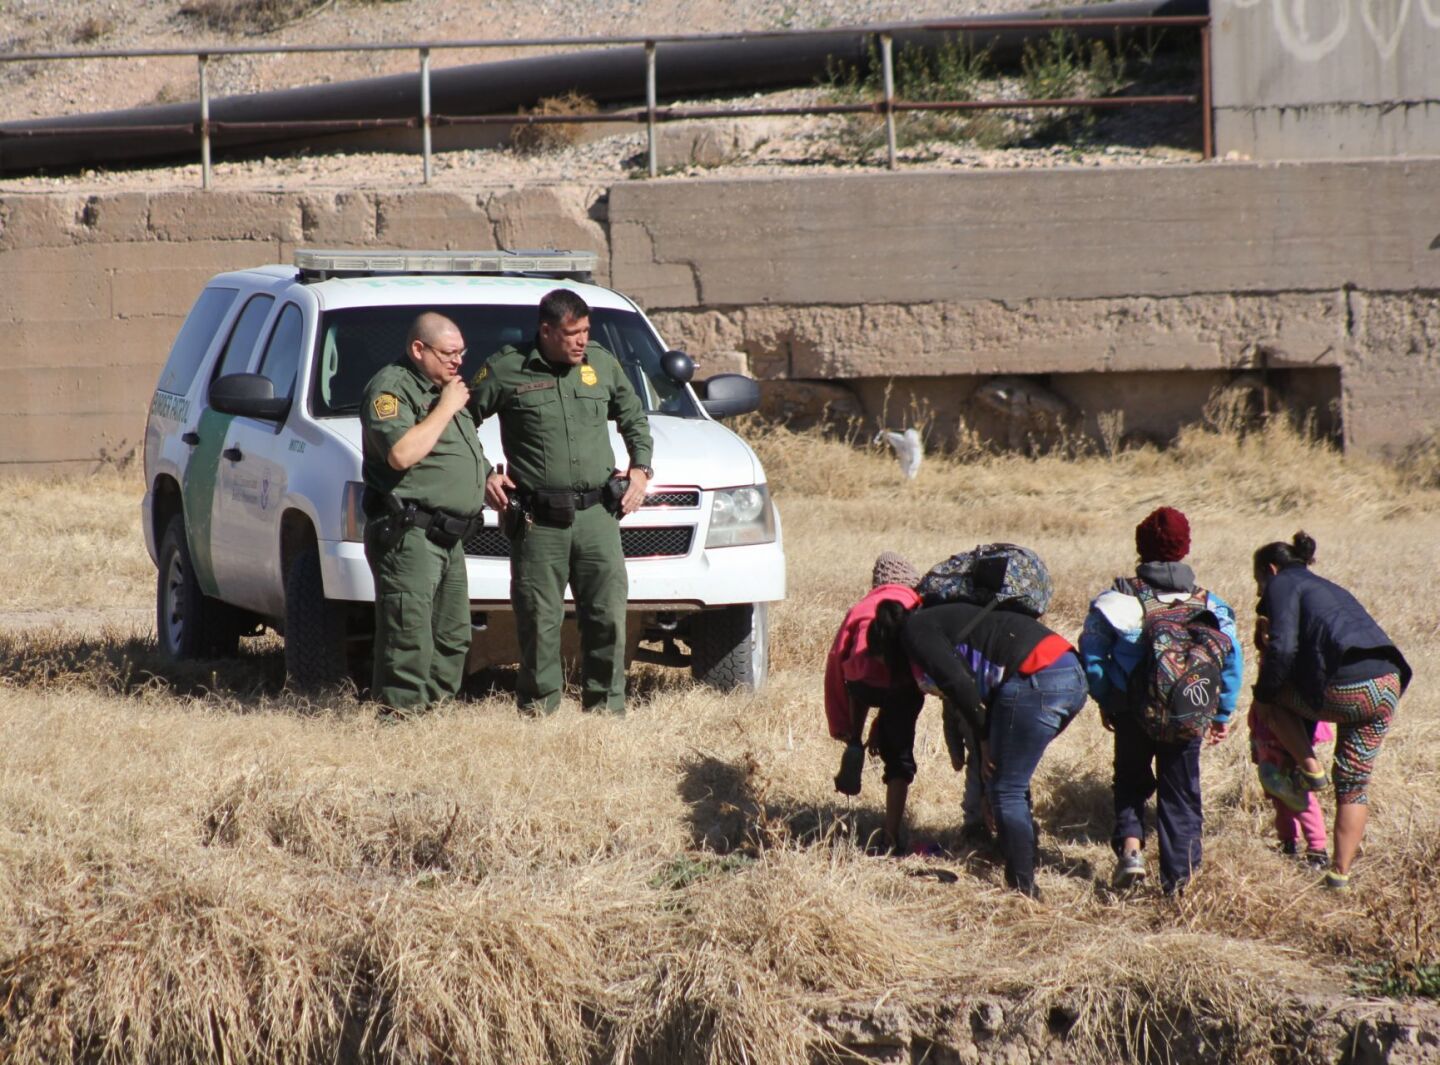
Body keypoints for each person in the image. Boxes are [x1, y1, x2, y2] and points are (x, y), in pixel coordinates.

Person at [469, 289, 654, 715]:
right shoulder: (506, 368)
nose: (581, 341)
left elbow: (633, 417)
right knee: (539, 622)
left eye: (586, 331)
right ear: (547, 330)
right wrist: (484, 473)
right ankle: (539, 711)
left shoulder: (602, 365)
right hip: (538, 522)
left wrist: (641, 468)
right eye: (572, 333)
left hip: (597, 517)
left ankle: (607, 710)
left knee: (608, 617)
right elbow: (461, 420)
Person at [867, 591, 1087, 897]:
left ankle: (1023, 889)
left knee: (1006, 788)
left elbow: (959, 683)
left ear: (887, 646)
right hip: (1068, 671)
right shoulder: (937, 623)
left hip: (1038, 675)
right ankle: (1019, 858)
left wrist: (983, 742)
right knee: (1009, 780)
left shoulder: (914, 632)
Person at [1079, 506, 1242, 895]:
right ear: (1185, 548)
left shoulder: (1118, 600)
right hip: (1190, 710)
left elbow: (1093, 657)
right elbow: (1232, 657)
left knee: (1130, 781)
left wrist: (1109, 700)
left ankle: (1131, 852)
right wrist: (1221, 711)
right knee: (1181, 793)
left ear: (1141, 548)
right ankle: (1179, 883)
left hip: (1132, 711)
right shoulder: (1212, 604)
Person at [1249, 531, 1411, 892]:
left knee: (1270, 702)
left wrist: (1264, 692)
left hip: (1348, 686)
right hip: (1387, 684)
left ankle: (1311, 769)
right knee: (1354, 784)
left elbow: (1283, 648)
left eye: (1258, 582)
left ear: (1271, 570)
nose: (1259, 593)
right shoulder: (1324, 586)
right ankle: (1339, 875)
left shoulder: (1282, 584)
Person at [360, 311, 490, 716]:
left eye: (462, 352)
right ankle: (400, 722)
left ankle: (432, 719)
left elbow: (457, 450)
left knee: (452, 637)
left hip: (450, 536)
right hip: (410, 532)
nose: (458, 361)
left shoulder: (445, 389)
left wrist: (487, 478)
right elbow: (400, 454)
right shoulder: (392, 389)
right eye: (449, 352)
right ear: (418, 349)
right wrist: (446, 407)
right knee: (408, 635)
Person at [826, 552, 925, 854]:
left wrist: (840, 723)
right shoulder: (918, 606)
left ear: (877, 583)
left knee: (862, 678)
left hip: (861, 681)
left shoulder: (861, 607)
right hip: (902, 683)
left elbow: (836, 661)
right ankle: (891, 836)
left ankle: (855, 740)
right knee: (899, 757)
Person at [1249, 613, 1332, 868]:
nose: (1267, 637)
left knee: (1300, 797)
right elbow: (1259, 708)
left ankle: (1317, 849)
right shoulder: (1266, 662)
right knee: (1277, 795)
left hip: (1289, 743)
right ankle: (1288, 842)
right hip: (1267, 742)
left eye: (1272, 633)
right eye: (1264, 631)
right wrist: (1254, 737)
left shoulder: (1295, 666)